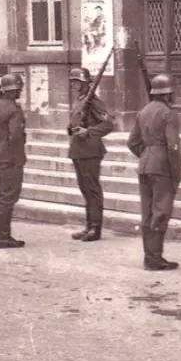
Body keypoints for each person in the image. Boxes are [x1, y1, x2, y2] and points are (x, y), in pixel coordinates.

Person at [127, 74, 181, 271]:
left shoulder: (143, 112)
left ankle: (149, 256)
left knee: (148, 212)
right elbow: (173, 146)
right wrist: (176, 172)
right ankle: (155, 258)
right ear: (167, 94)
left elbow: (132, 142)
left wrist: (147, 154)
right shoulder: (169, 113)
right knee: (161, 211)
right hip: (162, 168)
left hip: (144, 165)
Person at [67, 67, 115, 242]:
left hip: (90, 151)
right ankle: (89, 226)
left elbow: (108, 124)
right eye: (72, 81)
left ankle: (96, 228)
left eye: (76, 82)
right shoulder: (80, 100)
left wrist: (88, 132)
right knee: (85, 190)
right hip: (79, 151)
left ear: (85, 83)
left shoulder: (93, 101)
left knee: (92, 190)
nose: (73, 84)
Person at [0, 73, 27, 249]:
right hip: (10, 159)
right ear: (13, 90)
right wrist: (17, 158)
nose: (20, 93)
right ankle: (3, 238)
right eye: (18, 89)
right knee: (8, 198)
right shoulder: (14, 110)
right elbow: (16, 136)